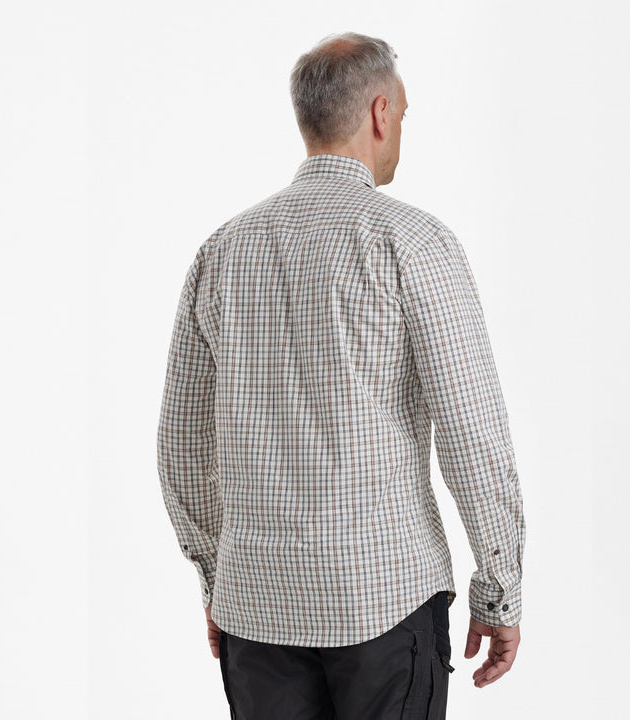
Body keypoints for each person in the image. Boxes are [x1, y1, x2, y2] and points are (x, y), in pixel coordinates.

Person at [157, 31, 526, 720]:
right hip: (383, 603)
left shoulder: (223, 251)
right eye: (403, 114)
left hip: (256, 608)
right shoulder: (413, 242)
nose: (401, 130)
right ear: (380, 113)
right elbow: (473, 433)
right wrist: (499, 588)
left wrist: (217, 578)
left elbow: (181, 446)